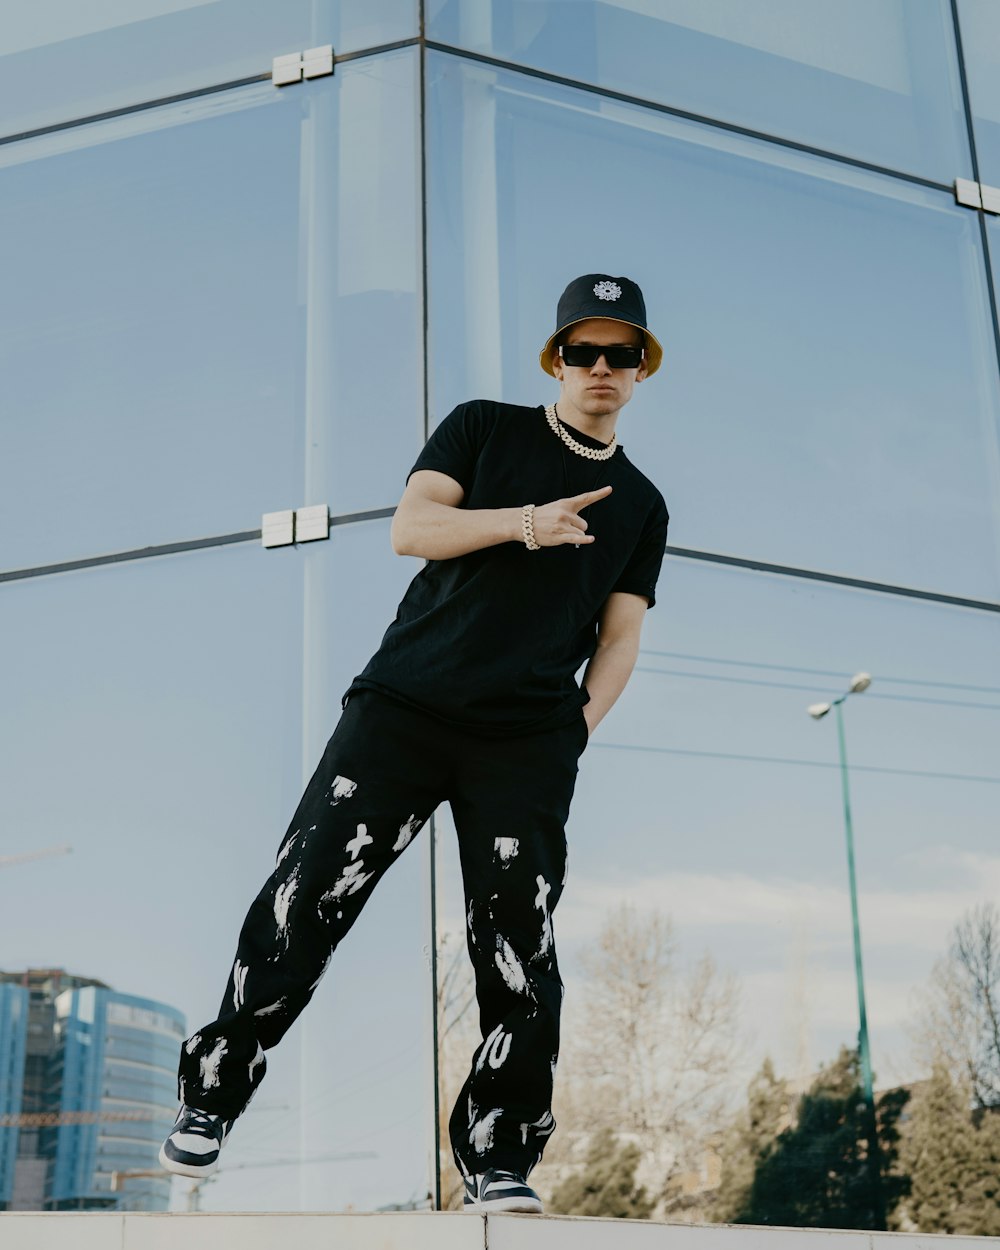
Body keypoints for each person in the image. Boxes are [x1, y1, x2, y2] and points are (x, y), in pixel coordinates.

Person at [159, 273, 670, 1214]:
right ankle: (212, 1093)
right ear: (559, 358)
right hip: (405, 707)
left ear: (642, 370)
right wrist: (526, 525)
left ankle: (498, 1152)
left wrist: (571, 735)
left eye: (622, 354)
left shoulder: (642, 503)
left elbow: (622, 638)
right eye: (586, 351)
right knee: (307, 894)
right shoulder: (482, 428)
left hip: (524, 746)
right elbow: (412, 529)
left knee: (520, 943)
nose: (603, 369)